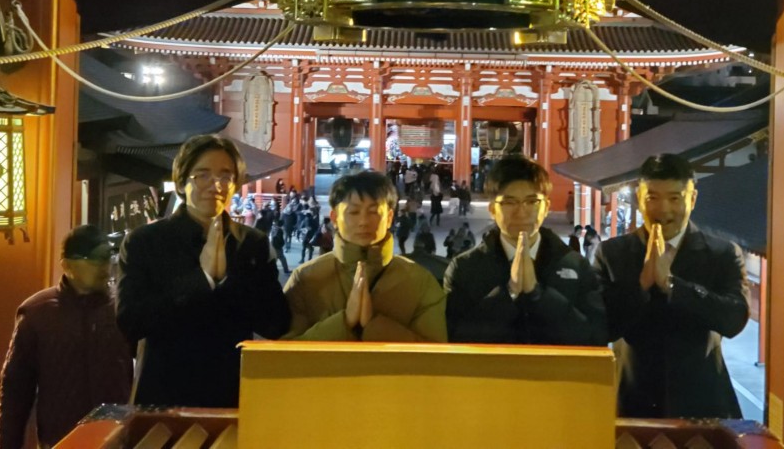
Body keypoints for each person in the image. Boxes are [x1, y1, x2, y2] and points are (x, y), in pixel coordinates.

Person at [117, 135, 290, 408]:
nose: (216, 185)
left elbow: (276, 323)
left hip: (233, 393)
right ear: (181, 183)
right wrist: (202, 279)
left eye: (226, 176)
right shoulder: (145, 242)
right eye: (202, 175)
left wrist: (228, 282)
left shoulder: (252, 243)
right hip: (165, 395)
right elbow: (130, 322)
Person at [592, 153, 750, 419]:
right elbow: (599, 328)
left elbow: (734, 319)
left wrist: (674, 285)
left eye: (675, 198)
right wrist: (641, 286)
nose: (663, 210)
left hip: (702, 403)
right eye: (652, 197)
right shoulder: (611, 253)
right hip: (632, 399)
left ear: (692, 199)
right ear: (639, 198)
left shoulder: (721, 254)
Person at [444, 155, 607, 345]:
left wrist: (539, 295)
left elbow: (596, 338)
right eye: (509, 202)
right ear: (492, 209)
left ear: (546, 207)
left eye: (532, 202)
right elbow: (454, 338)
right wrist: (509, 293)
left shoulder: (576, 266)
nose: (521, 212)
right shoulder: (465, 268)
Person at [0, 225, 132, 449]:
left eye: (108, 257)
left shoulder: (123, 309)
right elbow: (16, 391)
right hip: (60, 441)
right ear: (67, 265)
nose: (105, 266)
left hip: (117, 440)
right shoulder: (37, 313)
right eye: (96, 258)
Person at [283, 171, 447, 342]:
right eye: (354, 212)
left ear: (389, 217)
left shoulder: (420, 282)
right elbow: (284, 352)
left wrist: (373, 325)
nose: (363, 221)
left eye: (374, 212)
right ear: (335, 218)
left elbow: (434, 354)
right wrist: (344, 321)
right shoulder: (305, 279)